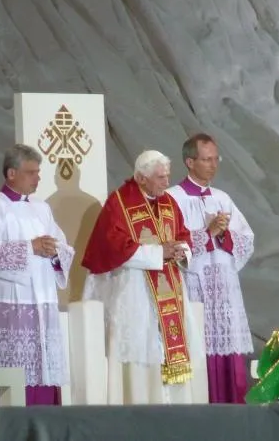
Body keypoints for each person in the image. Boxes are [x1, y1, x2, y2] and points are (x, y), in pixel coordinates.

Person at [82, 150, 202, 404]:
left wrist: (182, 251)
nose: (166, 182)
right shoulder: (119, 203)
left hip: (170, 286)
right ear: (141, 177)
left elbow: (184, 235)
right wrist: (159, 252)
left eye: (167, 176)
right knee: (140, 350)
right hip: (135, 291)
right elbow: (112, 246)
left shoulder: (169, 202)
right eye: (160, 177)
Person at [0, 144, 75, 406]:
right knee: (15, 380)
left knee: (43, 374)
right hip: (9, 304)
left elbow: (61, 244)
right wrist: (31, 247)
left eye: (38, 172)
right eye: (31, 172)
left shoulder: (42, 208)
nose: (38, 178)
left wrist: (54, 251)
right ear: (11, 173)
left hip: (41, 300)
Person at [167, 133, 255, 404]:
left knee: (229, 355)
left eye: (216, 158)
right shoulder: (172, 199)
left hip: (224, 290)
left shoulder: (222, 198)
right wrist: (207, 233)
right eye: (207, 159)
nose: (213, 165)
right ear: (190, 162)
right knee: (199, 352)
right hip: (193, 289)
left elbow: (246, 240)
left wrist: (224, 236)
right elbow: (170, 247)